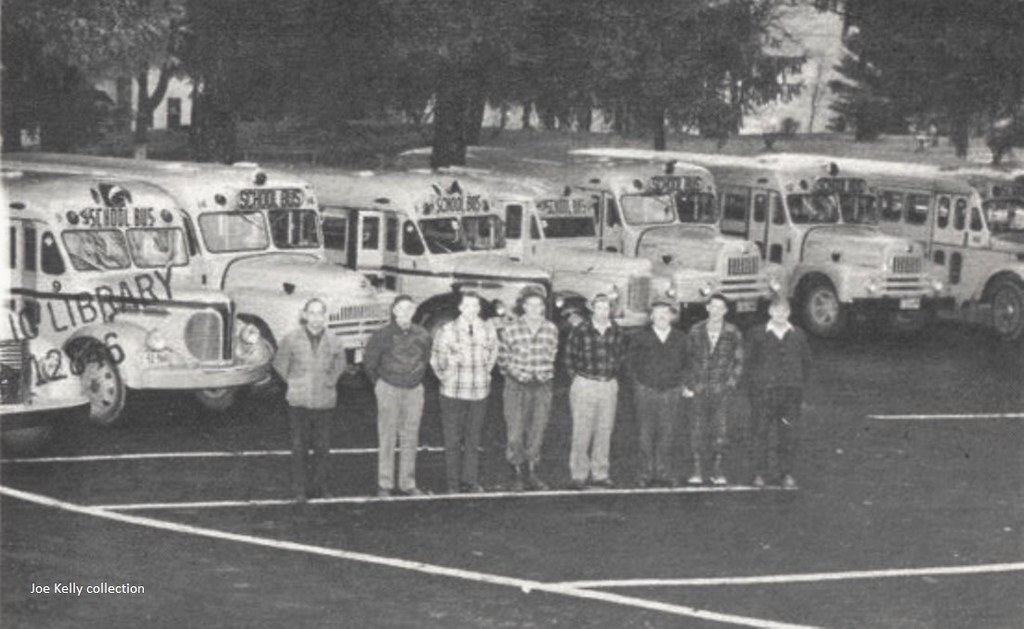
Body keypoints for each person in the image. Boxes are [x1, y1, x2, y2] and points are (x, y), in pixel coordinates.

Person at [272, 298, 348, 502]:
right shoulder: (291, 338)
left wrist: (330, 381)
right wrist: (294, 383)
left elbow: (341, 364)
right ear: (304, 315)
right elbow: (280, 364)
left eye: (320, 313)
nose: (316, 318)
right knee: (299, 447)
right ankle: (299, 489)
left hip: (325, 401)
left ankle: (321, 487)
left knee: (323, 447)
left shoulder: (334, 340)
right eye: (312, 313)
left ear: (326, 316)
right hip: (299, 402)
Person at [363, 294, 432, 497]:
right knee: (387, 436)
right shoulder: (381, 335)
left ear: (414, 311)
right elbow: (370, 363)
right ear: (394, 311)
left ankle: (407, 483)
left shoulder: (422, 334)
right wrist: (381, 385)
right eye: (401, 308)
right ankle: (385, 483)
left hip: (414, 390)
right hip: (389, 388)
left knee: (410, 436)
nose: (405, 312)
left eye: (409, 308)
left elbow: (426, 359)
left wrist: (415, 379)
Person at [430, 291, 499, 493]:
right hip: (452, 392)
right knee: (452, 439)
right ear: (460, 308)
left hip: (478, 392)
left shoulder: (488, 329)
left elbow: (493, 353)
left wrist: (485, 374)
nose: (472, 310)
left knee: (473, 438)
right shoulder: (447, 330)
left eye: (476, 306)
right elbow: (436, 359)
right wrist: (446, 375)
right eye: (468, 306)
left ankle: (470, 479)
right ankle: (452, 483)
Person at [745, 297, 812, 489]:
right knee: (760, 434)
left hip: (790, 395)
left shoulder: (798, 334)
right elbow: (748, 364)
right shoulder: (757, 334)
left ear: (789, 313)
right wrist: (753, 391)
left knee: (788, 435)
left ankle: (786, 474)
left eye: (784, 311)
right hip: (764, 394)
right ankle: (759, 474)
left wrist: (800, 387)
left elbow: (806, 363)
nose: (780, 314)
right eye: (777, 310)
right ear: (770, 312)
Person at [497, 289, 559, 491]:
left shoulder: (551, 329)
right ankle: (516, 473)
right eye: (530, 305)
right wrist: (519, 374)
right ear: (523, 307)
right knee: (515, 432)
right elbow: (503, 359)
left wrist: (542, 374)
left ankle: (532, 472)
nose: (535, 309)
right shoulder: (511, 329)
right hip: (516, 385)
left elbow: (552, 355)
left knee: (537, 430)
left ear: (543, 308)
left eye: (539, 305)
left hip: (542, 385)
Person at [564, 293, 627, 490]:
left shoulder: (616, 330)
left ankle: (600, 473)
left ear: (611, 310)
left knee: (604, 430)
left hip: (608, 384)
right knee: (582, 430)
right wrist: (577, 379)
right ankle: (579, 474)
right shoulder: (581, 329)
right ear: (592, 309)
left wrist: (613, 378)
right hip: (585, 382)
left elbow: (622, 356)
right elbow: (568, 356)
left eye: (606, 307)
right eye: (599, 307)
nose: (602, 311)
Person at [626, 300, 692, 487]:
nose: (662, 316)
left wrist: (682, 385)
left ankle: (663, 471)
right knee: (644, 434)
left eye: (666, 312)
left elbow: (688, 363)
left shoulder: (681, 338)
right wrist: (638, 385)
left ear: (672, 316)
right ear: (651, 316)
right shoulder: (640, 337)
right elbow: (630, 363)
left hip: (671, 392)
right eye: (658, 313)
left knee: (667, 432)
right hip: (646, 391)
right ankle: (645, 473)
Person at [684, 293, 744, 486]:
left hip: (721, 390)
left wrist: (730, 384)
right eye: (713, 306)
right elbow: (686, 360)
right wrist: (689, 384)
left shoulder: (733, 332)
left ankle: (718, 469)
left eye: (721, 307)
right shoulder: (695, 331)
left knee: (721, 430)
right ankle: (697, 469)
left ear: (725, 311)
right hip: (699, 389)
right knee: (697, 429)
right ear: (707, 308)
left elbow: (739, 362)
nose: (716, 311)